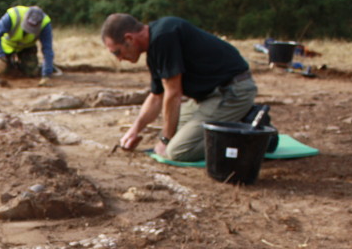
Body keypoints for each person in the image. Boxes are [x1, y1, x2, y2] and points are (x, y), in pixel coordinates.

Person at [101, 13, 257, 162]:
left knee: (179, 150)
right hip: (209, 96)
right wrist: (134, 130)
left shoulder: (164, 37)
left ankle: (254, 138)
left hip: (232, 92)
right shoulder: (155, 46)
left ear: (129, 38)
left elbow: (173, 93)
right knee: (174, 131)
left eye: (117, 52)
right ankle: (234, 122)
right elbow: (156, 97)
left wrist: (165, 140)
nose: (119, 59)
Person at [0, 5, 55, 85]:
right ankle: (10, 64)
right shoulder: (13, 15)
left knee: (32, 72)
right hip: (7, 46)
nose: (29, 30)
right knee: (2, 71)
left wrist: (46, 75)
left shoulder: (45, 23)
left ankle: (47, 67)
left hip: (27, 47)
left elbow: (47, 49)